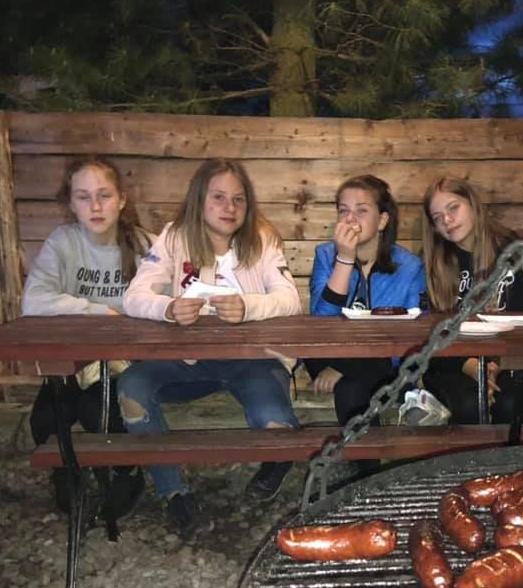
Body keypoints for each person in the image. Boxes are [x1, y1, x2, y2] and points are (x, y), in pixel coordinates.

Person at [119, 157, 301, 536]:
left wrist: (247, 306)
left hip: (251, 360)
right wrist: (168, 308)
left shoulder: (263, 238)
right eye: (218, 197)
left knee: (275, 426)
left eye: (238, 199)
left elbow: (290, 299)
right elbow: (134, 296)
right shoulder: (174, 236)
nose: (229, 207)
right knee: (132, 387)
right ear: (199, 199)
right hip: (188, 361)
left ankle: (278, 458)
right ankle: (173, 491)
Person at [22, 155, 151, 534]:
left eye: (104, 195)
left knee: (101, 412)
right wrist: (99, 311)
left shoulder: (145, 245)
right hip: (73, 358)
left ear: (121, 200)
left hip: (125, 359)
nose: (95, 206)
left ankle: (128, 472)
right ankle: (66, 473)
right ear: (71, 202)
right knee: (45, 418)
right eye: (83, 197)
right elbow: (34, 301)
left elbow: (167, 299)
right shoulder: (64, 242)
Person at [307, 175, 426, 476]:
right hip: (332, 352)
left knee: (350, 388)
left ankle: (368, 476)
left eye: (361, 210)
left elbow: (412, 333)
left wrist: (345, 366)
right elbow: (322, 320)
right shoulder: (325, 255)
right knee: (349, 384)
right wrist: (344, 261)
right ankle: (369, 474)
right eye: (343, 210)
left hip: (388, 362)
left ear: (382, 220)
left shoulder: (409, 266)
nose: (350, 219)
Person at [419, 176, 523, 427]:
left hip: (504, 360)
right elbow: (427, 332)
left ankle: (511, 455)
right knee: (470, 403)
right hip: (450, 362)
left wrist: (493, 366)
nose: (447, 220)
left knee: (510, 404)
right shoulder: (434, 263)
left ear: (473, 204)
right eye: (438, 217)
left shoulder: (511, 250)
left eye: (453, 208)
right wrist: (470, 366)